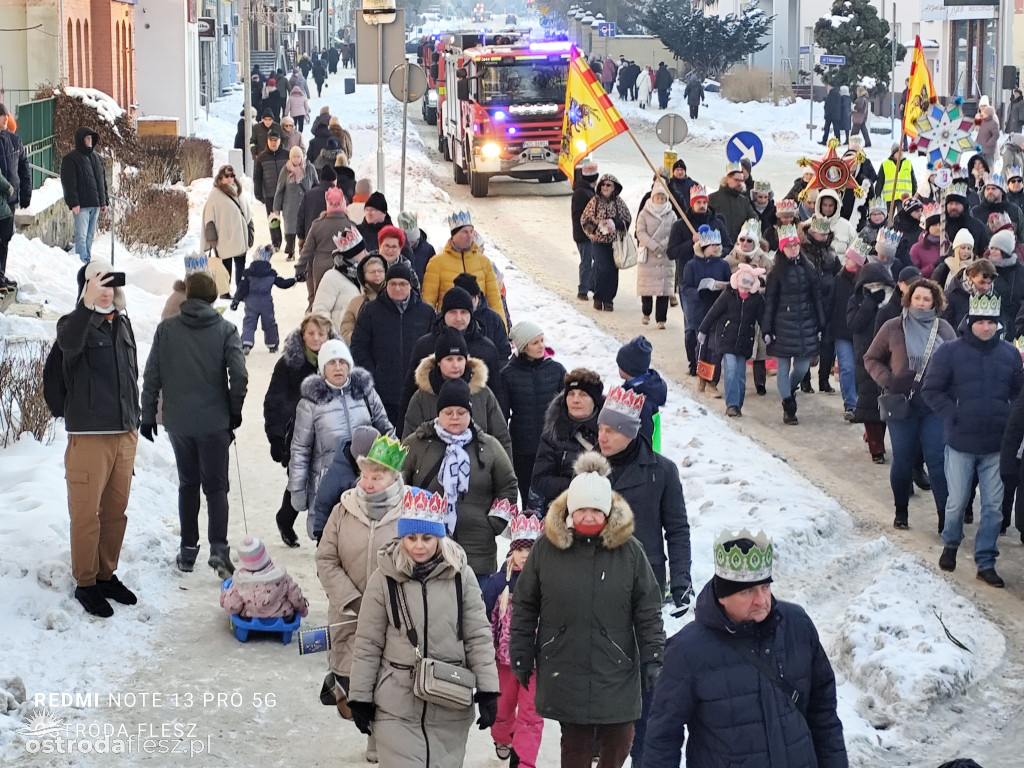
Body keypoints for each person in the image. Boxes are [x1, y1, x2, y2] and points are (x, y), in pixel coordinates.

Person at [509, 451, 666, 768]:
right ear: (569, 512)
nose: (590, 517)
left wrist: (653, 656)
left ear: (608, 511)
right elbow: (525, 603)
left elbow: (648, 608)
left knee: (621, 737)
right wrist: (521, 651)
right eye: (582, 510)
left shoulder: (630, 552)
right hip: (566, 663)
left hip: (617, 665)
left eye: (597, 510)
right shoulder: (546, 549)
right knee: (577, 745)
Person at [644, 530, 848, 768]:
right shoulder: (687, 651)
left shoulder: (797, 626)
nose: (761, 600)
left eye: (765, 587)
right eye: (747, 591)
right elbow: (663, 738)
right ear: (723, 596)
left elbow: (823, 714)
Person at [347, 488, 500, 767]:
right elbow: (368, 642)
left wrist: (489, 690)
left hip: (449, 701)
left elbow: (478, 636)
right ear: (401, 537)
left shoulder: (461, 577)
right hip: (397, 703)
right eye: (411, 537)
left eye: (427, 538)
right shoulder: (384, 579)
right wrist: (360, 696)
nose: (419, 545)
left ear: (439, 537)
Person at [140, 270, 248, 576]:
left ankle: (188, 550)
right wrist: (233, 410)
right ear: (213, 296)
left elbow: (152, 375)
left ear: (187, 296)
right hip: (215, 422)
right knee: (217, 487)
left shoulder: (167, 329)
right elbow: (238, 375)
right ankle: (219, 549)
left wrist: (148, 414)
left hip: (178, 422)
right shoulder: (226, 330)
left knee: (188, 484)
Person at [56, 260, 141, 617]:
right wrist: (87, 305)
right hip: (89, 437)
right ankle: (86, 583)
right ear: (86, 286)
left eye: (111, 282)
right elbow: (69, 343)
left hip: (123, 435)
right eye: (98, 282)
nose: (107, 289)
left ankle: (106, 575)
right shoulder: (74, 324)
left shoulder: (121, 321)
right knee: (86, 515)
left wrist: (135, 422)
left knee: (114, 512)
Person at [923, 294, 1023, 586]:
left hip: (996, 444)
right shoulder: (950, 352)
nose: (986, 327)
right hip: (961, 442)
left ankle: (986, 560)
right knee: (956, 503)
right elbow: (932, 390)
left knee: (994, 507)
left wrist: (1011, 419)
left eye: (991, 322)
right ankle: (951, 542)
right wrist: (950, 413)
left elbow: (1019, 394)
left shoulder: (1009, 354)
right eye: (980, 321)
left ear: (998, 324)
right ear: (970, 322)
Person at [316, 433, 407, 731]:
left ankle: (379, 742)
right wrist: (353, 600)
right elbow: (326, 559)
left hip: (392, 619)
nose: (367, 483)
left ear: (393, 478)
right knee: (354, 689)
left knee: (389, 686)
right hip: (349, 616)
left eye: (376, 477)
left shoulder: (410, 514)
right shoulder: (343, 510)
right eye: (365, 475)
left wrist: (388, 602)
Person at [401, 378, 518, 580]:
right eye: (448, 412)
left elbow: (508, 485)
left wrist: (494, 523)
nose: (455, 417)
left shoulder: (489, 446)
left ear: (470, 413)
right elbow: (397, 484)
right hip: (427, 550)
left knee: (474, 609)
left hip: (477, 553)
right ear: (438, 414)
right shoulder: (417, 444)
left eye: (461, 412)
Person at [864, 278, 954, 530]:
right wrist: (888, 380)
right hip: (902, 404)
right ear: (909, 299)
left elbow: (954, 364)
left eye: (927, 299)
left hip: (934, 406)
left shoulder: (945, 329)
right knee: (902, 459)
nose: (922, 303)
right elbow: (871, 358)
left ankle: (944, 516)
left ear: (935, 301)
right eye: (917, 298)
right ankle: (901, 511)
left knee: (937, 460)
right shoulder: (893, 327)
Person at [289, 339, 394, 539]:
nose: (338, 367)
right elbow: (300, 450)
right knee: (330, 542)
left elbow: (386, 430)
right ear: (323, 368)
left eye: (342, 362)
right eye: (332, 363)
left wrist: (391, 471)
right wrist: (297, 490)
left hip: (368, 482)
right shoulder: (310, 403)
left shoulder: (365, 393)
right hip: (329, 485)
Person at [264, 313, 336, 547]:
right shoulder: (289, 363)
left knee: (329, 482)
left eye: (321, 334)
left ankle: (325, 535)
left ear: (329, 336)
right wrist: (276, 437)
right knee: (299, 481)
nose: (316, 338)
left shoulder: (338, 362)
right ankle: (285, 518)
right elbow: (274, 400)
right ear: (303, 335)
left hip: (329, 433)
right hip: (297, 434)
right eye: (310, 333)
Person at [482, 509, 545, 768]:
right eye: (520, 549)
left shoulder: (547, 582)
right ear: (511, 550)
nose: (525, 555)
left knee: (531, 715)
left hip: (535, 663)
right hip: (504, 661)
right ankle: (501, 737)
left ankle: (525, 762)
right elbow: (485, 619)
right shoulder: (498, 583)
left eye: (530, 549)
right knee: (503, 708)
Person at [351, 262, 436, 427]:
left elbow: (433, 348)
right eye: (393, 284)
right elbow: (358, 346)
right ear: (386, 285)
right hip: (382, 392)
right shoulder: (371, 311)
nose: (398, 288)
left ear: (410, 285)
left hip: (417, 391)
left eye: (403, 284)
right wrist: (373, 375)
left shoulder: (426, 313)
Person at [403, 328, 512, 456]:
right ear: (438, 362)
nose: (455, 365)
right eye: (449, 359)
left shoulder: (483, 394)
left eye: (460, 359)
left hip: (479, 471)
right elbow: (408, 443)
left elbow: (501, 438)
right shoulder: (421, 398)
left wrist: (504, 473)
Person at [762, 225, 827, 425]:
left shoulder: (808, 268)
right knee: (782, 366)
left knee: (801, 366)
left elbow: (816, 297)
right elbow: (770, 301)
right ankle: (788, 405)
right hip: (782, 325)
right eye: (789, 246)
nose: (793, 249)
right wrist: (767, 328)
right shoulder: (776, 272)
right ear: (782, 248)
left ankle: (788, 390)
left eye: (795, 246)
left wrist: (820, 322)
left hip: (805, 323)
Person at [501, 321, 566, 504]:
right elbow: (503, 414)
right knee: (529, 497)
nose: (541, 346)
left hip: (553, 445)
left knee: (554, 500)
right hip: (523, 448)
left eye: (542, 340)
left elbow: (567, 408)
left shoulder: (556, 370)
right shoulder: (508, 374)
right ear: (523, 347)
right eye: (535, 343)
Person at [529, 369, 604, 513]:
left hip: (602, 511)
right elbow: (539, 480)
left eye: (583, 394)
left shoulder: (609, 432)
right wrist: (580, 484)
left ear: (595, 400)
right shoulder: (553, 433)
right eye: (571, 394)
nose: (575, 400)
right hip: (563, 512)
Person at [699, 263, 766, 417]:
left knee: (740, 373)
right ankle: (732, 404)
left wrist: (768, 333)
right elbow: (713, 312)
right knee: (730, 369)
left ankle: (738, 404)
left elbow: (763, 319)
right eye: (741, 287)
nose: (743, 290)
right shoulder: (728, 295)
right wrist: (703, 330)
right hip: (726, 339)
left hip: (744, 342)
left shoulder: (756, 300)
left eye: (747, 288)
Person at [847, 263, 897, 463]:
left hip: (890, 357)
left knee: (886, 403)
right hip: (866, 356)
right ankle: (876, 446)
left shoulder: (893, 303)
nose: (876, 288)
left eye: (880, 284)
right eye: (871, 284)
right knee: (869, 404)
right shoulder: (856, 300)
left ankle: (876, 436)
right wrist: (869, 304)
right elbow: (854, 324)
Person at [422, 211, 506, 321]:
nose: (470, 236)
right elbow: (428, 302)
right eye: (465, 232)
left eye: (471, 231)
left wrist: (502, 330)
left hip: (480, 325)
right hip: (450, 324)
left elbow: (494, 300)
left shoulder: (484, 262)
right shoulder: (437, 263)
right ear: (454, 235)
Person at [682, 226, 731, 394]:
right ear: (703, 247)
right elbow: (686, 288)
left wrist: (723, 288)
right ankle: (702, 378)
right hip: (699, 312)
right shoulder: (691, 265)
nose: (716, 247)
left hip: (718, 311)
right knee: (701, 348)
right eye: (712, 245)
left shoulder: (723, 265)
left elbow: (729, 285)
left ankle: (712, 382)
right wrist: (699, 292)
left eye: (717, 244)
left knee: (716, 349)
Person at [220, 536, 308, 620]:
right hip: (282, 616)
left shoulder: (241, 584)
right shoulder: (281, 577)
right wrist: (302, 609)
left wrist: (224, 598)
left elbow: (232, 606)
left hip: (250, 618)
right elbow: (295, 596)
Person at [297, 186, 357, 308]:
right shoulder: (350, 226)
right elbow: (357, 252)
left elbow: (307, 251)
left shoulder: (317, 225)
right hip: (344, 268)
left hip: (321, 268)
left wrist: (299, 269)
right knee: (340, 303)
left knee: (321, 302)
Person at [230, 245, 296, 354]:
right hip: (266, 302)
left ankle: (246, 343)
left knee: (249, 323)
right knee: (269, 323)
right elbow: (283, 283)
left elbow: (242, 289)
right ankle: (272, 344)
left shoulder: (248, 273)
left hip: (251, 302)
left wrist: (236, 301)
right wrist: (295, 279)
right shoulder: (271, 273)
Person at [200, 164, 253, 298]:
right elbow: (209, 218)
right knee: (225, 266)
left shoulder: (239, 192)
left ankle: (240, 291)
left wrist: (250, 231)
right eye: (227, 176)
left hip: (240, 236)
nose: (230, 179)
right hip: (224, 237)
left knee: (241, 264)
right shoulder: (215, 194)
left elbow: (247, 214)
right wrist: (211, 238)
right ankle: (225, 291)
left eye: (232, 176)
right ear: (221, 177)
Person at [60, 126, 108, 264]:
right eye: (87, 138)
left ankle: (87, 259)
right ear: (81, 140)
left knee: (90, 235)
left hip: (96, 203)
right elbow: (68, 183)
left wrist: (104, 201)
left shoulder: (97, 158)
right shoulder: (71, 159)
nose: (90, 140)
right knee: (81, 235)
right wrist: (73, 203)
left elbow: (101, 181)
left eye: (91, 138)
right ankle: (82, 262)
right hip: (81, 205)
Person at [636, 181, 678, 329]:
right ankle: (646, 312)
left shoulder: (671, 213)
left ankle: (661, 319)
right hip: (649, 253)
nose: (660, 200)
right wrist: (654, 246)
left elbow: (674, 232)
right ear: (652, 198)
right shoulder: (644, 213)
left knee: (663, 288)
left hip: (665, 255)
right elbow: (640, 232)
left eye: (662, 198)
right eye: (657, 198)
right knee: (647, 286)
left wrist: (664, 246)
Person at [0, 103, 30, 289]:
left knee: (5, 239)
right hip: (1, 198)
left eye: (5, 115)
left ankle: (1, 275)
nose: (5, 118)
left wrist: (25, 192)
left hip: (10, 200)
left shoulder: (14, 140)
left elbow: (23, 167)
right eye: (1, 115)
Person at [312, 227, 365, 331]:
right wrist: (331, 336)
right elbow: (320, 311)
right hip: (340, 340)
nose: (366, 254)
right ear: (353, 256)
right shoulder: (332, 277)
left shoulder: (367, 275)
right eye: (362, 251)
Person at [453, 272, 511, 361]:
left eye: (469, 298)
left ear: (477, 296)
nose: (466, 302)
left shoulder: (493, 319)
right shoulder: (449, 318)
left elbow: (503, 352)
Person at [273, 145, 316, 261]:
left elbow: (316, 185)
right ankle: (290, 252)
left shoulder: (309, 169)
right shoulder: (285, 170)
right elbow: (280, 189)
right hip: (290, 206)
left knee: (306, 230)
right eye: (294, 157)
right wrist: (276, 208)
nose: (296, 159)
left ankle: (305, 252)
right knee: (290, 231)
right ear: (290, 158)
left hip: (306, 206)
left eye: (298, 156)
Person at [253, 129, 289, 252]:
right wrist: (258, 192)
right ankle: (276, 242)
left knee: (289, 218)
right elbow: (257, 177)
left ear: (280, 141)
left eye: (276, 140)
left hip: (286, 193)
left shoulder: (286, 155)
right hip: (270, 193)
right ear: (267, 141)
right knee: (273, 220)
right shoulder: (261, 158)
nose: (273, 143)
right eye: (271, 140)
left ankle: (290, 241)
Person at [339, 253, 386, 343]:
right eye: (372, 272)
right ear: (364, 275)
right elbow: (346, 329)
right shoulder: (356, 302)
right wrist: (359, 341)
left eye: (380, 271)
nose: (377, 274)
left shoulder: (393, 298)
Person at [708, 162, 758, 243]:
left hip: (738, 245)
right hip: (717, 245)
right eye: (736, 180)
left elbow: (754, 218)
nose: (739, 183)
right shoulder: (712, 198)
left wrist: (746, 232)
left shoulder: (744, 201)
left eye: (741, 181)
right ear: (727, 179)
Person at [571, 161, 599, 301]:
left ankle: (591, 285)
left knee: (596, 260)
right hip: (584, 234)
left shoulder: (586, 190)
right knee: (587, 261)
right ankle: (583, 289)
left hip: (587, 233)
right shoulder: (582, 192)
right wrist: (591, 229)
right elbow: (579, 216)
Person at [296, 164, 336, 247]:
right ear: (333, 181)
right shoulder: (338, 196)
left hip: (310, 236)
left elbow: (301, 217)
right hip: (331, 239)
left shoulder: (309, 194)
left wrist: (301, 236)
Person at [397, 210, 436, 283]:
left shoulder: (428, 249)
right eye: (408, 241)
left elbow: (432, 273)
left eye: (413, 240)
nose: (411, 243)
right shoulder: (397, 249)